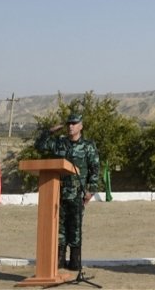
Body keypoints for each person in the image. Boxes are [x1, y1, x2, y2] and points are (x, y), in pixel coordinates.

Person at [34, 112, 100, 272]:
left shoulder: (88, 146)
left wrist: (91, 191)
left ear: (81, 126)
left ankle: (75, 260)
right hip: (58, 191)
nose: (71, 126)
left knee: (75, 226)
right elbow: (39, 146)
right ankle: (60, 259)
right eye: (69, 123)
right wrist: (50, 131)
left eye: (74, 123)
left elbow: (95, 168)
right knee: (60, 227)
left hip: (77, 193)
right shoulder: (60, 143)